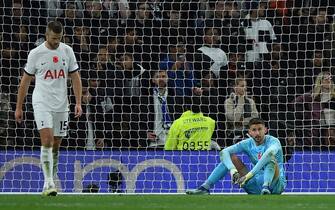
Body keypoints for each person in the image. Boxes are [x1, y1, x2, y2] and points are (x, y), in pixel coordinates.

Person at [15, 21, 82, 196]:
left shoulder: (67, 51)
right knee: (47, 140)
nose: (56, 42)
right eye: (53, 38)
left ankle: (50, 181)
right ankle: (49, 183)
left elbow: (75, 77)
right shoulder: (36, 54)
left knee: (57, 144)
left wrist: (78, 102)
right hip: (41, 102)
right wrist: (19, 107)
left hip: (62, 104)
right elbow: (25, 82)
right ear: (47, 36)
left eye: (59, 39)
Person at [186, 118, 286, 194]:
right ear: (249, 132)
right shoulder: (247, 143)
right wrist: (232, 170)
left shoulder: (273, 142)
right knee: (230, 157)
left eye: (260, 129)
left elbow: (268, 155)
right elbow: (223, 152)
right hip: (254, 184)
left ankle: (266, 187)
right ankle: (205, 188)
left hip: (275, 185)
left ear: (265, 130)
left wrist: (247, 176)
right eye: (254, 130)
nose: (257, 133)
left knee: (270, 159)